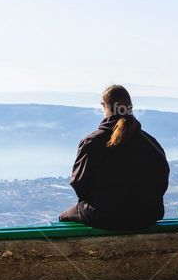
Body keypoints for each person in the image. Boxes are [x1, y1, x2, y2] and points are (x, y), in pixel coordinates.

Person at [59, 85, 169, 230]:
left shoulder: (92, 142)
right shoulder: (151, 143)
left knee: (64, 217)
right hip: (147, 216)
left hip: (104, 216)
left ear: (105, 106)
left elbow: (79, 184)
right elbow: (161, 181)